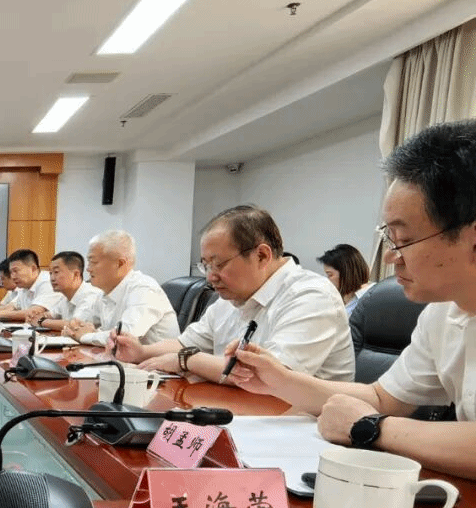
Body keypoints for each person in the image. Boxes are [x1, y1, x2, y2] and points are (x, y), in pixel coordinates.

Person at [228, 121, 476, 480]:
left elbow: (374, 414)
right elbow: (382, 398)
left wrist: (372, 428)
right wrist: (280, 380)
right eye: (389, 239)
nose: (390, 257)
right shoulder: (443, 312)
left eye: (404, 240)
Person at [114, 206, 354, 382]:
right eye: (206, 266)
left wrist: (187, 360)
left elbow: (271, 377)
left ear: (262, 256)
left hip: (298, 426)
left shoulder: (312, 296)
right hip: (240, 412)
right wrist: (141, 352)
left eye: (218, 264)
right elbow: (184, 343)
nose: (210, 277)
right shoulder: (231, 298)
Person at [65, 230, 178, 346]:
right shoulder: (104, 292)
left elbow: (124, 336)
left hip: (156, 358)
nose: (88, 269)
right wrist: (74, 329)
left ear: (120, 263)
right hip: (117, 356)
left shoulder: (144, 289)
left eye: (93, 262)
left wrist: (84, 336)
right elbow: (80, 324)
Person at [24, 251, 103, 332]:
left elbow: (75, 325)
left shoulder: (90, 294)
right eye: (50, 273)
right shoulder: (65, 297)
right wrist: (34, 316)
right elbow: (50, 315)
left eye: (56, 272)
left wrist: (41, 321)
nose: (52, 278)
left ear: (76, 274)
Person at [0, 249, 52, 321]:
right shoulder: (25, 286)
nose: (13, 277)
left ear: (33, 269)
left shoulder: (47, 282)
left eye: (16, 271)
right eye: (11, 272)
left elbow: (32, 313)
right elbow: (11, 307)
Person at [317, 244, 373, 314]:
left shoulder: (370, 298)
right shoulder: (339, 300)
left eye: (330, 275)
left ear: (346, 272)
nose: (327, 280)